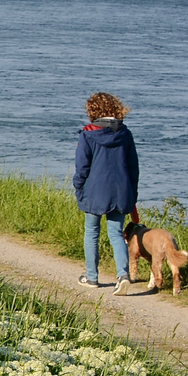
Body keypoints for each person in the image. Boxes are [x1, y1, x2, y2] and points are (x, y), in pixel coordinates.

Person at [72, 91, 139, 295]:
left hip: (94, 191)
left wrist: (79, 187)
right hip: (121, 191)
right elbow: (133, 167)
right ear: (116, 108)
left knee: (92, 233)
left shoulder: (87, 134)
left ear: (92, 111)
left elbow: (82, 167)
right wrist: (132, 192)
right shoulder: (125, 134)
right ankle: (123, 276)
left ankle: (92, 277)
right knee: (116, 234)